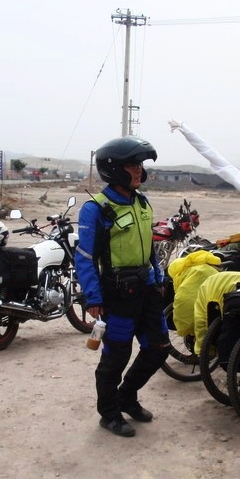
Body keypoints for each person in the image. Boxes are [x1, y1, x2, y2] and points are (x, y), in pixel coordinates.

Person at [75, 136, 170, 437]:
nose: (139, 170)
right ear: (114, 168)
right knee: (115, 357)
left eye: (141, 164)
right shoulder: (97, 209)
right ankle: (109, 413)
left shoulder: (143, 203)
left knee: (159, 348)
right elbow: (86, 258)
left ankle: (127, 396)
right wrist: (93, 297)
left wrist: (157, 278)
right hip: (117, 294)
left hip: (146, 289)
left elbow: (150, 248)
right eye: (132, 165)